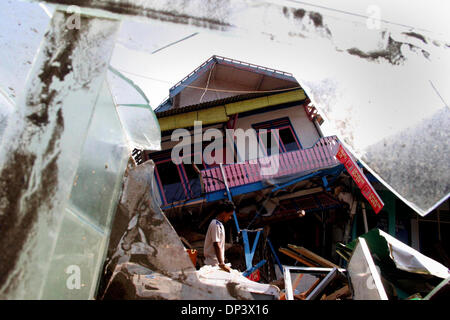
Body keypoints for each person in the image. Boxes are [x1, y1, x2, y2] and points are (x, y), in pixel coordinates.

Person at [203, 200, 235, 272]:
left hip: (216, 263)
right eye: (229, 215)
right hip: (213, 264)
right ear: (224, 213)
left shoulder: (219, 225)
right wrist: (221, 263)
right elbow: (216, 244)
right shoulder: (215, 225)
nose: (230, 218)